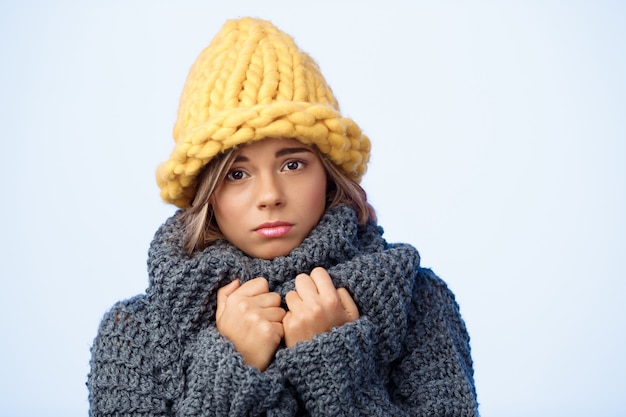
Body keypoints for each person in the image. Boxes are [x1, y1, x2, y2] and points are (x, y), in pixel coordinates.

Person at [87, 17, 479, 416]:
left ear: (328, 174)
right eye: (236, 174)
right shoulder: (133, 333)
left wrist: (336, 365)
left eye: (292, 165)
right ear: (205, 193)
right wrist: (228, 368)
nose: (270, 196)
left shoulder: (416, 301)